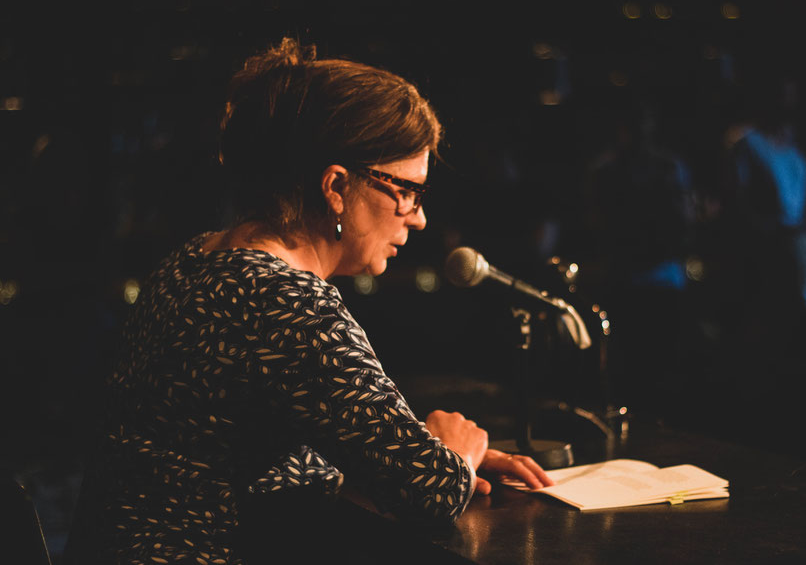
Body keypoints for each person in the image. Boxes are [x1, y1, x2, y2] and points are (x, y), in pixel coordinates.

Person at [64, 38, 552, 564]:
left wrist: (427, 461)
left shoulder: (194, 259)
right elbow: (428, 492)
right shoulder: (289, 302)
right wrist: (456, 450)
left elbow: (246, 457)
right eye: (407, 191)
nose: (418, 217)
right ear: (337, 186)